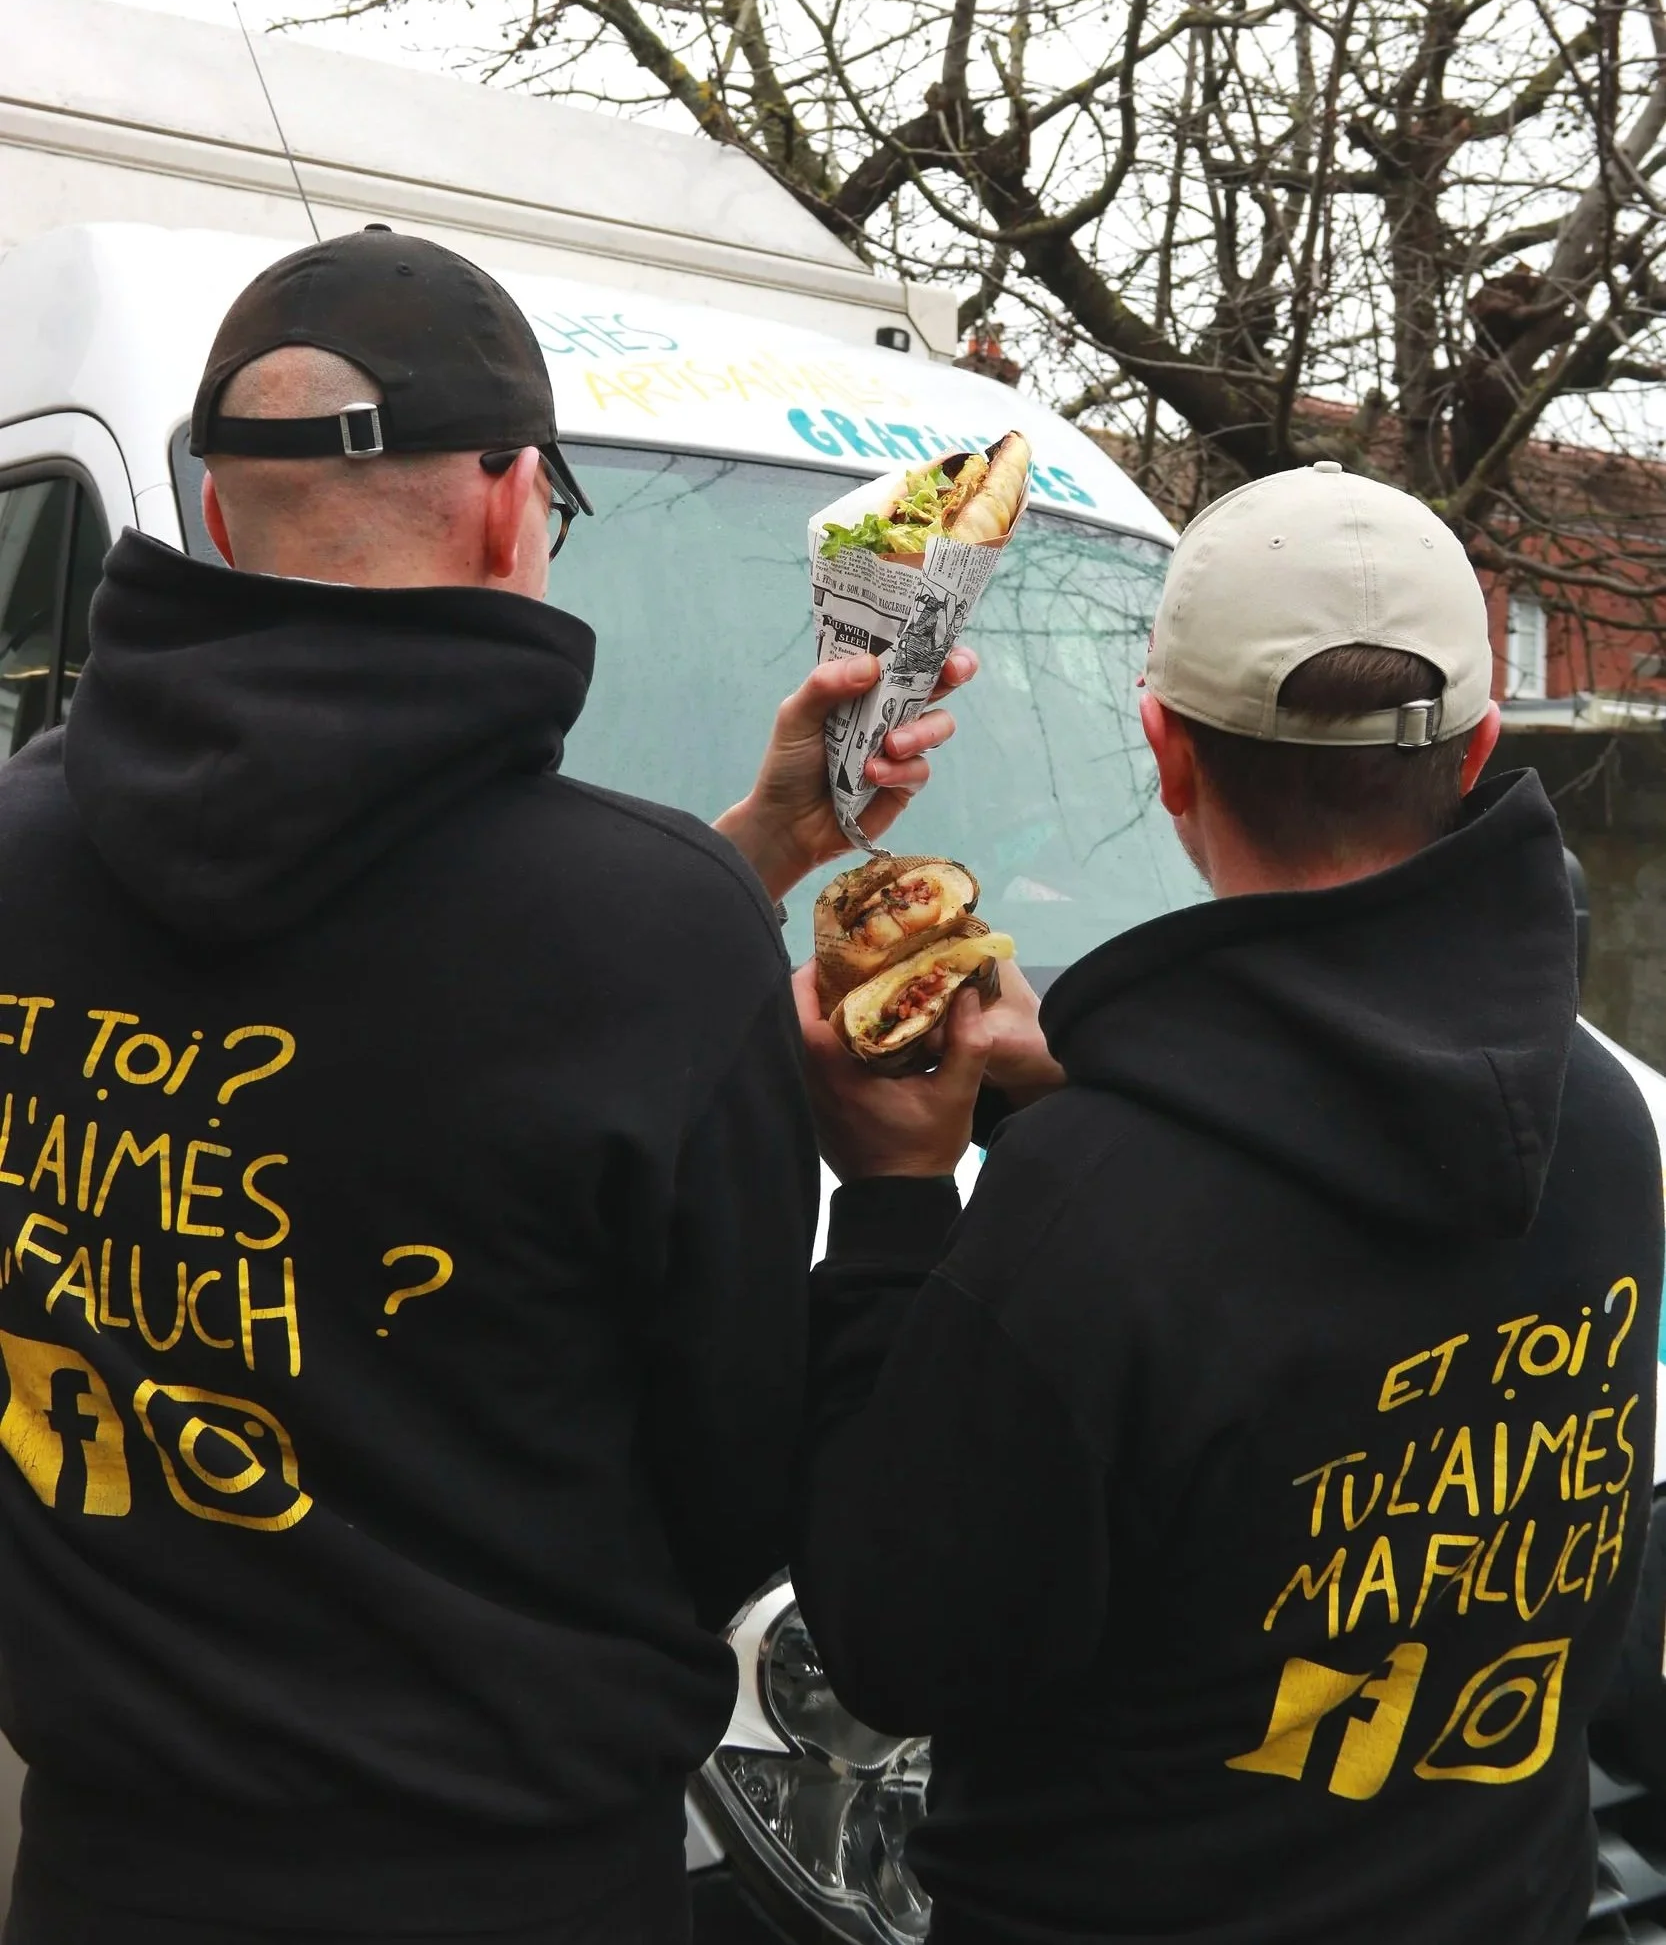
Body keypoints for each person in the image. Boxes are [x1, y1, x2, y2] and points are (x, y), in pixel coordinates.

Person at [0, 227, 968, 1945]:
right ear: (517, 499)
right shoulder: (648, 935)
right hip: (511, 1877)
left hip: (103, 1868)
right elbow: (731, 1495)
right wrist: (889, 1184)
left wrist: (754, 851)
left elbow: (426, 982)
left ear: (215, 508)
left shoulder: (19, 846)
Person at [793, 461, 1664, 1945]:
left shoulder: (1092, 1207)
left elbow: (897, 1650)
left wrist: (891, 1202)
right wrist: (1089, 1091)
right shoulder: (1598, 1118)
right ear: (1478, 750)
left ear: (1167, 752)